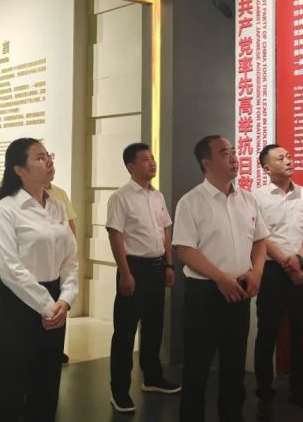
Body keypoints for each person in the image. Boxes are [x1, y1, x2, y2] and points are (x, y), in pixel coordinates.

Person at [173, 135, 269, 422]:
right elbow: (184, 249)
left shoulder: (248, 199)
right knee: (197, 367)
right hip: (204, 293)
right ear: (206, 163)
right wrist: (219, 278)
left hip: (240, 290)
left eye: (234, 152)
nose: (234, 158)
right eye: (224, 153)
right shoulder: (191, 202)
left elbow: (260, 240)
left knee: (234, 366)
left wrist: (257, 272)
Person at [0, 139, 79, 422]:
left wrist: (66, 298)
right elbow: (10, 269)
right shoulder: (5, 210)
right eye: (39, 157)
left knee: (47, 384)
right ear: (19, 169)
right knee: (11, 388)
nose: (48, 160)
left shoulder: (57, 206)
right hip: (18, 303)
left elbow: (70, 258)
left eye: (48, 155)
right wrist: (47, 306)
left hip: (55, 301)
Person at [106, 143, 179, 413]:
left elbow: (165, 230)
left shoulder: (157, 196)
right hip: (133, 268)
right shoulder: (121, 197)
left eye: (153, 158)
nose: (152, 162)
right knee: (125, 332)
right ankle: (119, 390)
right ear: (131, 166)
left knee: (153, 326)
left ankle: (153, 378)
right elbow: (115, 235)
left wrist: (169, 264)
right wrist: (125, 273)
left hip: (157, 267)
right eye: (146, 159)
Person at [253, 144, 303, 419]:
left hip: (302, 268)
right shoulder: (257, 197)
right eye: (281, 158)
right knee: (267, 334)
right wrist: (287, 262)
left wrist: (300, 259)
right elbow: (260, 237)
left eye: (289, 156)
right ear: (267, 168)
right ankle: (264, 394)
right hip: (272, 272)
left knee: (300, 331)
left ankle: (300, 391)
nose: (288, 160)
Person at [45, 181, 77, 364]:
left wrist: (71, 249)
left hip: (58, 265)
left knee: (59, 306)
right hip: (36, 270)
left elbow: (70, 226)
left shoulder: (59, 195)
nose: (49, 166)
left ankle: (57, 349)